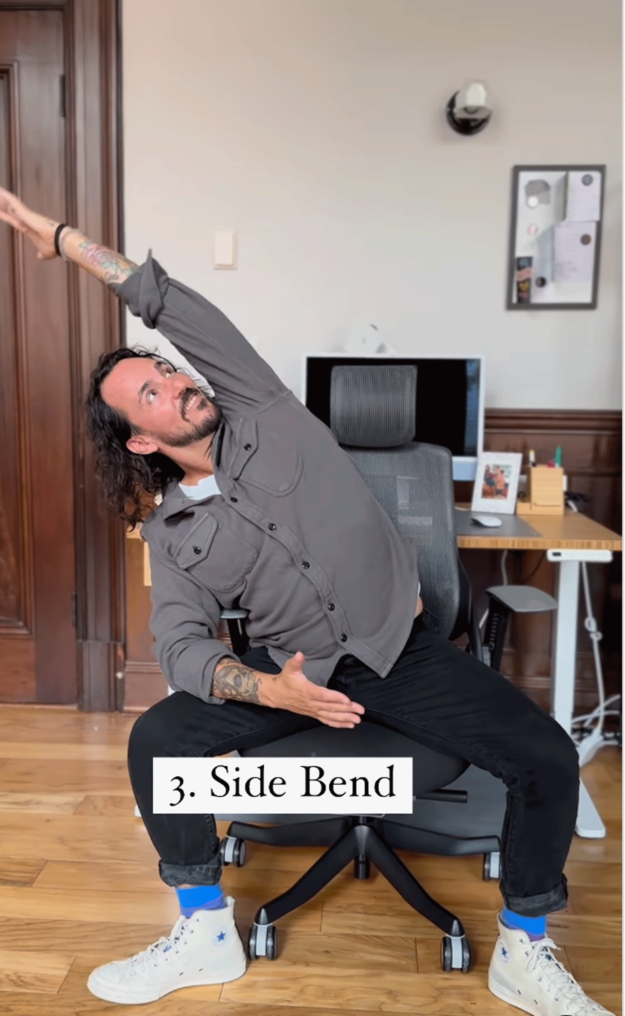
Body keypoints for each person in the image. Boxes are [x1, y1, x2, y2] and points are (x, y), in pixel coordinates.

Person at [0, 186, 612, 1016]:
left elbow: (170, 303)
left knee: (541, 755)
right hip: (296, 672)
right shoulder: (171, 533)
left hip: (400, 653)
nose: (175, 385)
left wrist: (65, 241)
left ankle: (523, 947)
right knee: (159, 740)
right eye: (149, 394)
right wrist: (268, 689)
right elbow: (181, 649)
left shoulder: (265, 410)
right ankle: (203, 929)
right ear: (140, 440)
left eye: (168, 372)